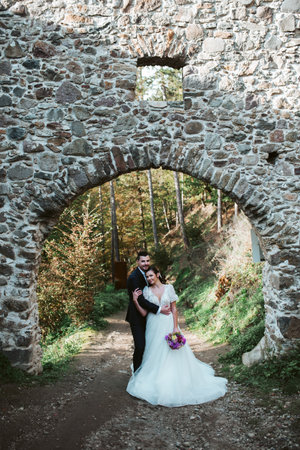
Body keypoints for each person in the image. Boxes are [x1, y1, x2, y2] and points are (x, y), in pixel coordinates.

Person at [126, 265, 227, 407]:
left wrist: (175, 328)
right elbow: (144, 313)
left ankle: (175, 379)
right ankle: (157, 378)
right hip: (153, 326)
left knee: (173, 352)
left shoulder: (169, 288)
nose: (149, 279)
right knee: (154, 352)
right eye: (147, 277)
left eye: (151, 275)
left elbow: (174, 309)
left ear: (158, 274)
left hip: (168, 324)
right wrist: (136, 300)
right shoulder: (146, 291)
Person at [125, 251, 171, 372]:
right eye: (143, 261)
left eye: (147, 261)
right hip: (137, 316)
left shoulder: (149, 273)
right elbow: (141, 300)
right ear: (137, 262)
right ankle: (137, 373)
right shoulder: (134, 278)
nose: (146, 263)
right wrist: (159, 309)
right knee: (140, 346)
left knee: (153, 345)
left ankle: (153, 371)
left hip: (151, 318)